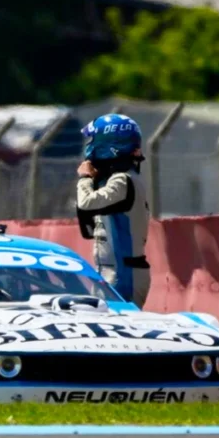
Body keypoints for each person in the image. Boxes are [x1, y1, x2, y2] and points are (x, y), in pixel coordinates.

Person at [75, 113, 150, 308]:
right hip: (110, 271)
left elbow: (86, 202)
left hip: (124, 273)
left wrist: (85, 179)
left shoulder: (123, 180)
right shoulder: (116, 179)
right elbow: (88, 229)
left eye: (93, 140)